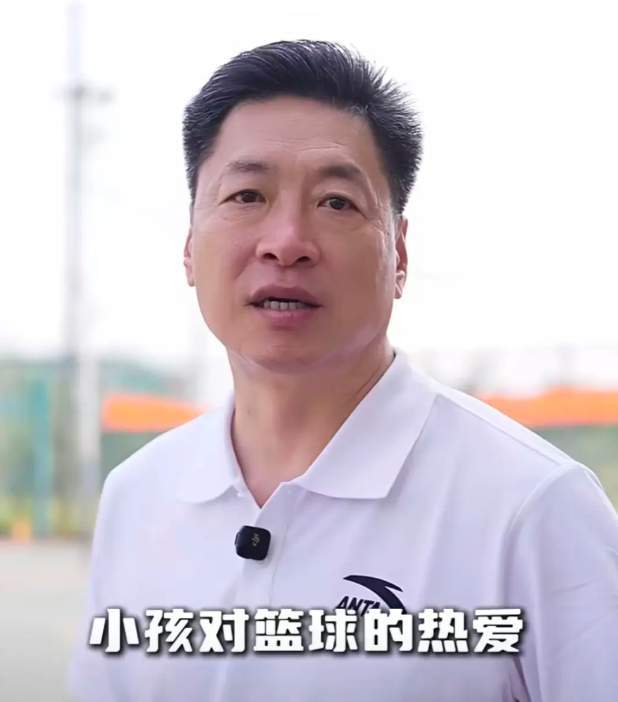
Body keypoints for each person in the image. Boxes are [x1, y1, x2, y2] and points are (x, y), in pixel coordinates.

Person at [68, 40, 618, 701]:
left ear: (399, 254)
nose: (287, 243)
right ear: (189, 246)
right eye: (246, 195)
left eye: (336, 202)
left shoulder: (531, 508)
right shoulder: (138, 496)